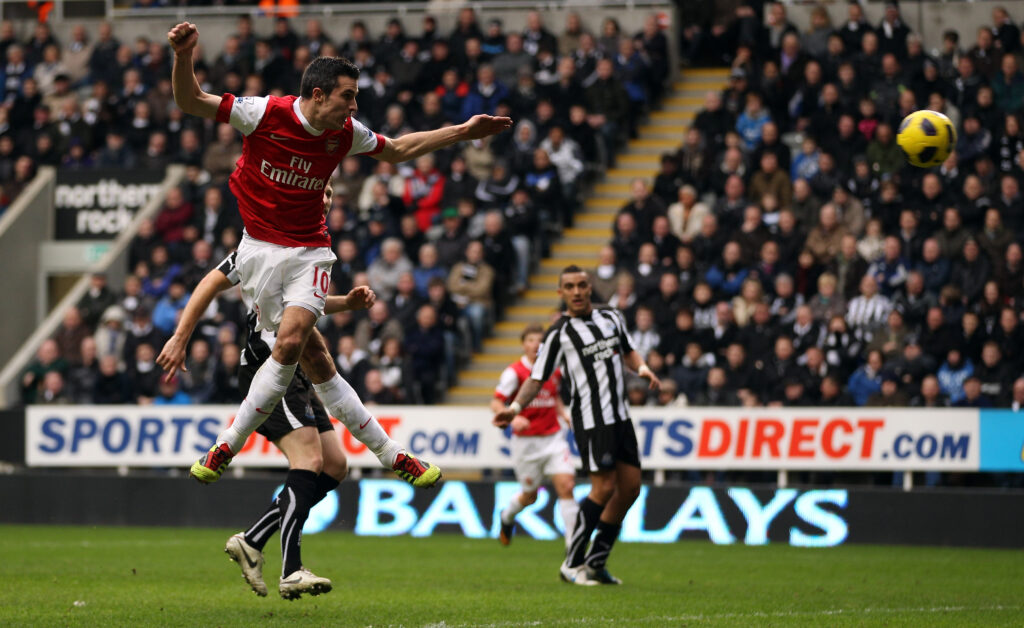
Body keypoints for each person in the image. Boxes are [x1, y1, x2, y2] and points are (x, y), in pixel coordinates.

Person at [167, 22, 510, 487]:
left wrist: (463, 133)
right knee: (320, 363)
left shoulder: (344, 133)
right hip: (260, 251)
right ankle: (393, 454)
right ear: (317, 95)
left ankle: (227, 444)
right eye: (347, 96)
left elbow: (398, 149)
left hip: (311, 252)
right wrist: (184, 57)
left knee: (289, 344)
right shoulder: (265, 113)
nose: (354, 106)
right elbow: (191, 102)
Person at [157, 210, 374, 600]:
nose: (321, 199)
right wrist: (180, 337)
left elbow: (307, 307)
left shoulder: (314, 247)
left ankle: (253, 539)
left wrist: (346, 304)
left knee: (336, 466)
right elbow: (210, 281)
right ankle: (291, 570)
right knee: (308, 463)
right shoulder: (261, 242)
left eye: (326, 194)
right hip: (269, 368)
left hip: (303, 369)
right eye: (317, 192)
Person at [493, 265, 660, 586]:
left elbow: (628, 351)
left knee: (630, 489)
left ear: (590, 286)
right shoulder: (558, 333)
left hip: (621, 417)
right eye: (569, 286)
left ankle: (596, 563)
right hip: (591, 420)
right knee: (603, 488)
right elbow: (538, 377)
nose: (577, 291)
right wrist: (514, 408)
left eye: (582, 285)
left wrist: (643, 369)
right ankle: (572, 563)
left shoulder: (611, 317)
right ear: (561, 293)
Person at [490, 324, 578, 550]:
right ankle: (507, 517)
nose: (535, 345)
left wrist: (563, 414)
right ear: (523, 344)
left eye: (540, 341)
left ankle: (574, 551)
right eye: (530, 340)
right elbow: (496, 401)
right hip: (526, 442)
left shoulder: (554, 369)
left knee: (567, 486)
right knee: (530, 497)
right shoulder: (515, 372)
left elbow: (553, 396)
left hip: (553, 438)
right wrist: (513, 418)